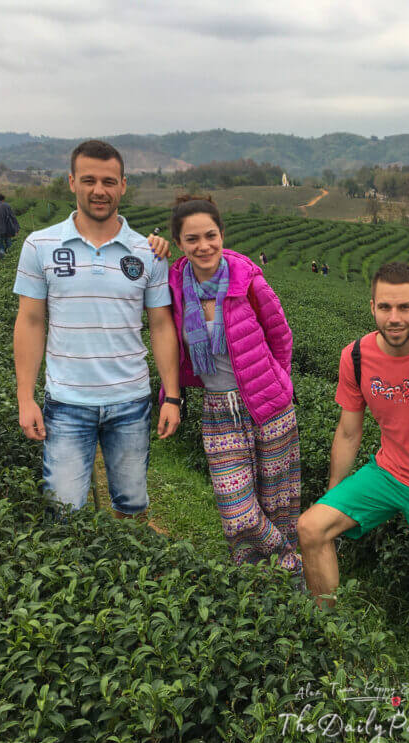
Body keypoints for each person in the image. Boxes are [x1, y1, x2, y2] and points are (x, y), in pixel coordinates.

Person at [297, 262, 409, 686]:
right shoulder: (357, 356)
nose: (393, 317)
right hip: (388, 472)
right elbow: (348, 430)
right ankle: (327, 635)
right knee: (311, 528)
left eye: (403, 307)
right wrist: (332, 496)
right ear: (372, 307)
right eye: (384, 307)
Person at [13, 139, 180, 522]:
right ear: (71, 182)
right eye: (89, 180)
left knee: (132, 506)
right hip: (67, 401)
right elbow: (30, 321)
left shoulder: (148, 253)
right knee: (64, 510)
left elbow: (160, 324)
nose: (99, 190)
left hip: (131, 400)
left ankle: (131, 579)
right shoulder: (40, 245)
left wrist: (172, 396)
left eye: (108, 181)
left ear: (123, 185)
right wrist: (26, 398)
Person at [160, 196, 303, 576]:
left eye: (210, 235)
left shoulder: (248, 279)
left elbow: (281, 337)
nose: (203, 246)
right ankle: (288, 566)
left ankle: (272, 591)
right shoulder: (174, 285)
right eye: (192, 239)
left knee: (277, 505)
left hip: (269, 407)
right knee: (238, 510)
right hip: (218, 410)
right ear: (179, 244)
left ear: (223, 234)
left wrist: (277, 383)